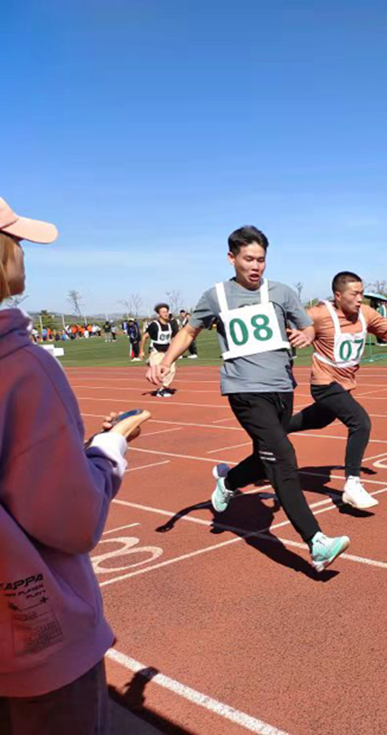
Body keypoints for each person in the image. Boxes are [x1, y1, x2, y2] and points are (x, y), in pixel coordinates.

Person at [1, 197, 151, 733]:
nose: (20, 251)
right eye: (13, 240)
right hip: (32, 644)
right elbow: (70, 521)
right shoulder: (20, 368)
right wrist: (107, 449)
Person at [147, 225, 350, 572]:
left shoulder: (282, 292)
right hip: (243, 389)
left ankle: (227, 482)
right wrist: (166, 361)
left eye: (261, 260)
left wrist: (305, 333)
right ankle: (316, 542)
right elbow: (189, 330)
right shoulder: (216, 296)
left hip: (281, 388)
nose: (256, 266)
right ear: (232, 258)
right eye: (248, 259)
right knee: (283, 456)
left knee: (265, 454)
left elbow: (309, 327)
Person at [287, 272, 387, 509]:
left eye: (361, 292)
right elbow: (295, 324)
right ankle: (352, 484)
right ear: (338, 296)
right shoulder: (319, 314)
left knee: (319, 420)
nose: (360, 298)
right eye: (354, 294)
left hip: (344, 384)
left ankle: (274, 428)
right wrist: (297, 334)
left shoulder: (366, 314)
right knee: (360, 422)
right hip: (325, 383)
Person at [138, 303, 178, 397]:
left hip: (167, 352)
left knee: (171, 370)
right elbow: (145, 336)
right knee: (158, 372)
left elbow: (173, 338)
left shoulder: (171, 325)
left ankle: (163, 388)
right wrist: (141, 351)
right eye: (163, 312)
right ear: (158, 314)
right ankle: (162, 388)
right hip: (156, 351)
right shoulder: (154, 325)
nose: (165, 313)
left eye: (166, 311)